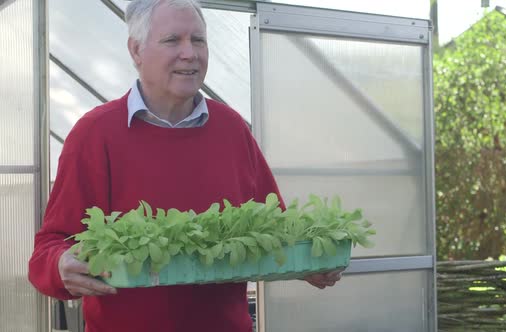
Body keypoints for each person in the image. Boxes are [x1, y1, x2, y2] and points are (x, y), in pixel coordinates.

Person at [28, 0, 341, 331]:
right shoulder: (95, 134)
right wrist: (60, 264)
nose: (190, 53)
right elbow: (48, 249)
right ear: (136, 50)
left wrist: (311, 260)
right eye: (172, 40)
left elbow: (276, 231)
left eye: (199, 40)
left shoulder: (231, 129)